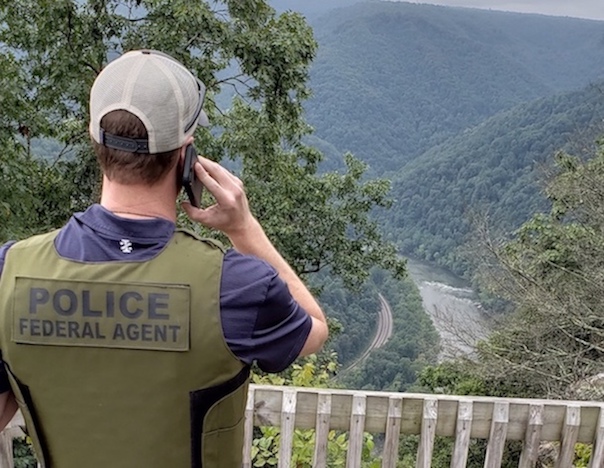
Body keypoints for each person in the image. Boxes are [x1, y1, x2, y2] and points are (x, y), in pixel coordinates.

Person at [0, 49, 328, 468]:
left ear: (94, 138)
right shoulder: (236, 287)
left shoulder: (10, 273)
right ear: (186, 155)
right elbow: (313, 329)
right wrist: (242, 227)